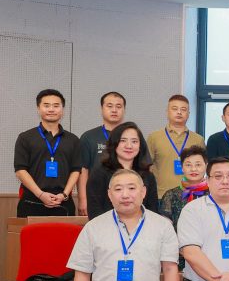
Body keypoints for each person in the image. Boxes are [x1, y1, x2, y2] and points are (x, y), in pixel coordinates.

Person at [13, 89, 82, 217]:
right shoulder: (25, 137)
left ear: (62, 110)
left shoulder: (73, 140)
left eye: (56, 106)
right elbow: (20, 170)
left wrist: (64, 194)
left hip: (63, 202)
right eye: (46, 105)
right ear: (38, 109)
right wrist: (40, 194)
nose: (51, 109)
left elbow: (76, 170)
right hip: (32, 200)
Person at [86, 122, 159, 219]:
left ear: (140, 146)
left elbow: (152, 212)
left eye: (134, 141)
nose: (129, 146)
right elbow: (95, 211)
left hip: (141, 227)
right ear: (114, 143)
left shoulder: (148, 175)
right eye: (123, 140)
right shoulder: (99, 174)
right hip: (106, 226)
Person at [77, 91, 126, 218]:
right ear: (101, 108)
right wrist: (83, 199)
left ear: (124, 110)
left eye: (118, 106)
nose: (114, 110)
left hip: (126, 195)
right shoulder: (89, 137)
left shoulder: (131, 136)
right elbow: (83, 170)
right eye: (109, 106)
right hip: (96, 196)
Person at [147, 95, 204, 199]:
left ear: (188, 114)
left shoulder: (198, 139)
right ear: (167, 112)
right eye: (174, 109)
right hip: (161, 196)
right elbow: (147, 168)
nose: (179, 112)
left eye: (183, 109)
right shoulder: (154, 137)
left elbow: (203, 169)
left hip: (191, 196)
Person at [160, 146, 209, 236]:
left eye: (198, 165)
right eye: (188, 165)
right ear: (182, 167)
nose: (193, 169)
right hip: (178, 242)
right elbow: (165, 230)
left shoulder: (213, 194)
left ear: (206, 166)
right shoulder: (171, 195)